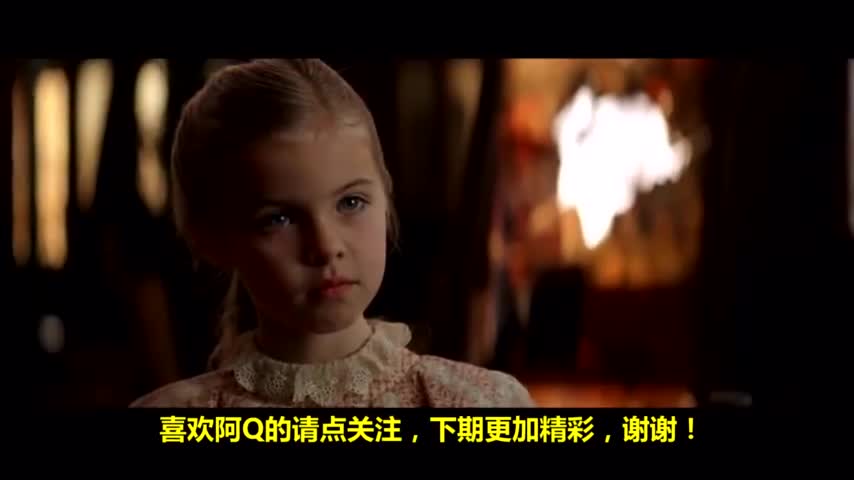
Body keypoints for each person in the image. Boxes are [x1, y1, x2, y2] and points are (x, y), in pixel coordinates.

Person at [130, 59, 536, 408]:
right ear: (213, 239)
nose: (326, 247)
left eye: (351, 202)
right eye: (279, 219)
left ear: (386, 197)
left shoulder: (481, 404)